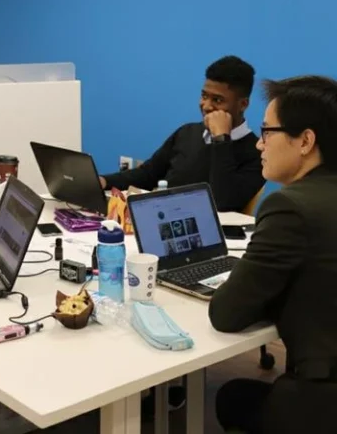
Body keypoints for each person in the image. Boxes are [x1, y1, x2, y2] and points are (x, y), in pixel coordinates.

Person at [209, 75, 337, 434]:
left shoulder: (289, 206)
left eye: (267, 132)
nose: (259, 144)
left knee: (231, 398)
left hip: (322, 403)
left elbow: (226, 314)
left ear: (305, 141)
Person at [100, 55, 264, 212]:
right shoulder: (187, 133)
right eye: (204, 96)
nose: (206, 106)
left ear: (243, 104)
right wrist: (104, 181)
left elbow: (222, 203)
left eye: (218, 100)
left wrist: (221, 139)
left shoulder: (258, 153)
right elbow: (147, 175)